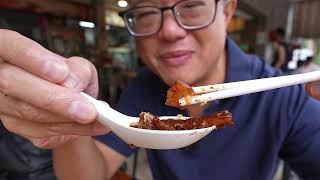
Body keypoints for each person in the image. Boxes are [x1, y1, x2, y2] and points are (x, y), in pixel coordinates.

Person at [1, 0, 320, 179]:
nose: (169, 30)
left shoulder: (287, 95)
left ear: (226, 10)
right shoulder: (145, 87)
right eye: (145, 13)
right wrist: (69, 120)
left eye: (192, 5)